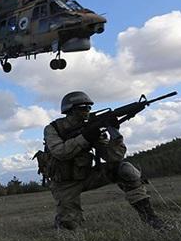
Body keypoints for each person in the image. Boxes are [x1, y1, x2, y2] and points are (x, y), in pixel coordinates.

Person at [43, 91, 164, 231]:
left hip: (86, 176)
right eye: (83, 107)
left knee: (126, 169)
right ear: (70, 110)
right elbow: (60, 152)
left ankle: (151, 219)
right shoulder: (53, 129)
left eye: (89, 107)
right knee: (69, 227)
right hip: (64, 184)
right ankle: (62, 220)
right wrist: (85, 138)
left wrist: (115, 135)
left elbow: (114, 157)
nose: (87, 111)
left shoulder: (91, 128)